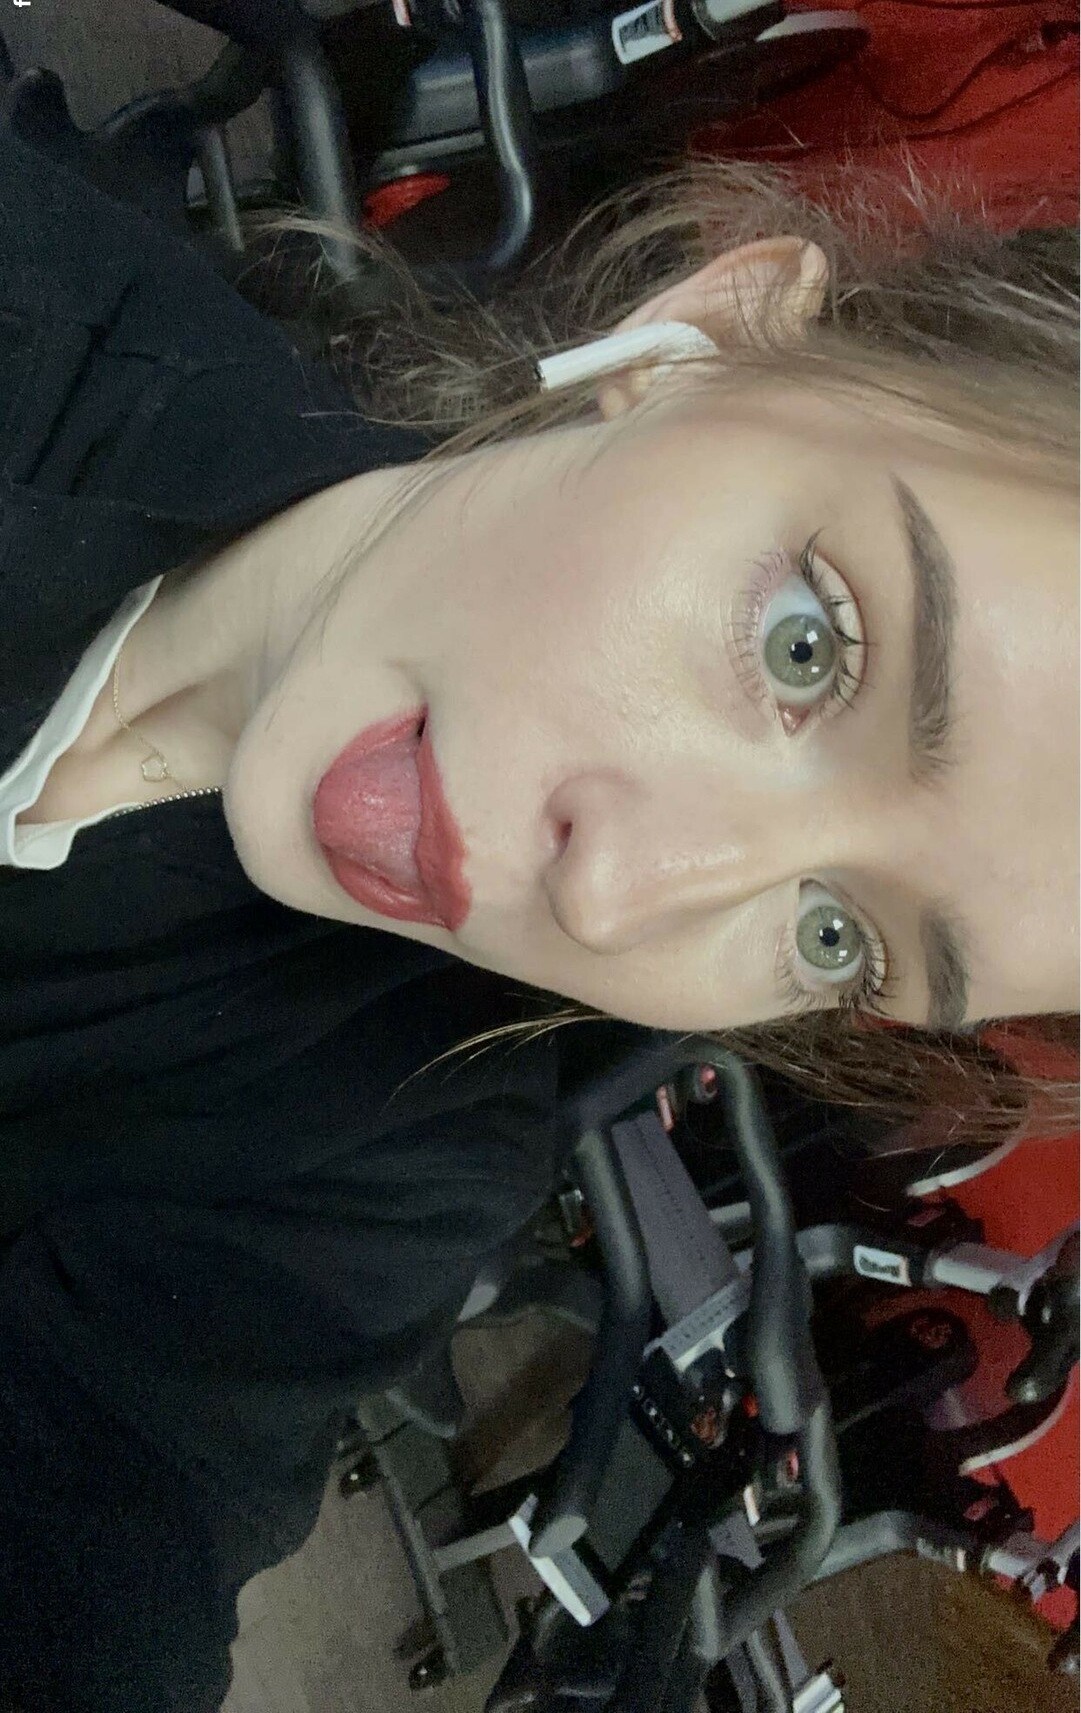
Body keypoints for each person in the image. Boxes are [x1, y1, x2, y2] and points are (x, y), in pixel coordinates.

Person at [0, 118, 1076, 1712]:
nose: (615, 893)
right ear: (699, 343)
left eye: (835, 935)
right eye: (805, 649)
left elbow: (106, 1542)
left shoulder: (376, 1167)